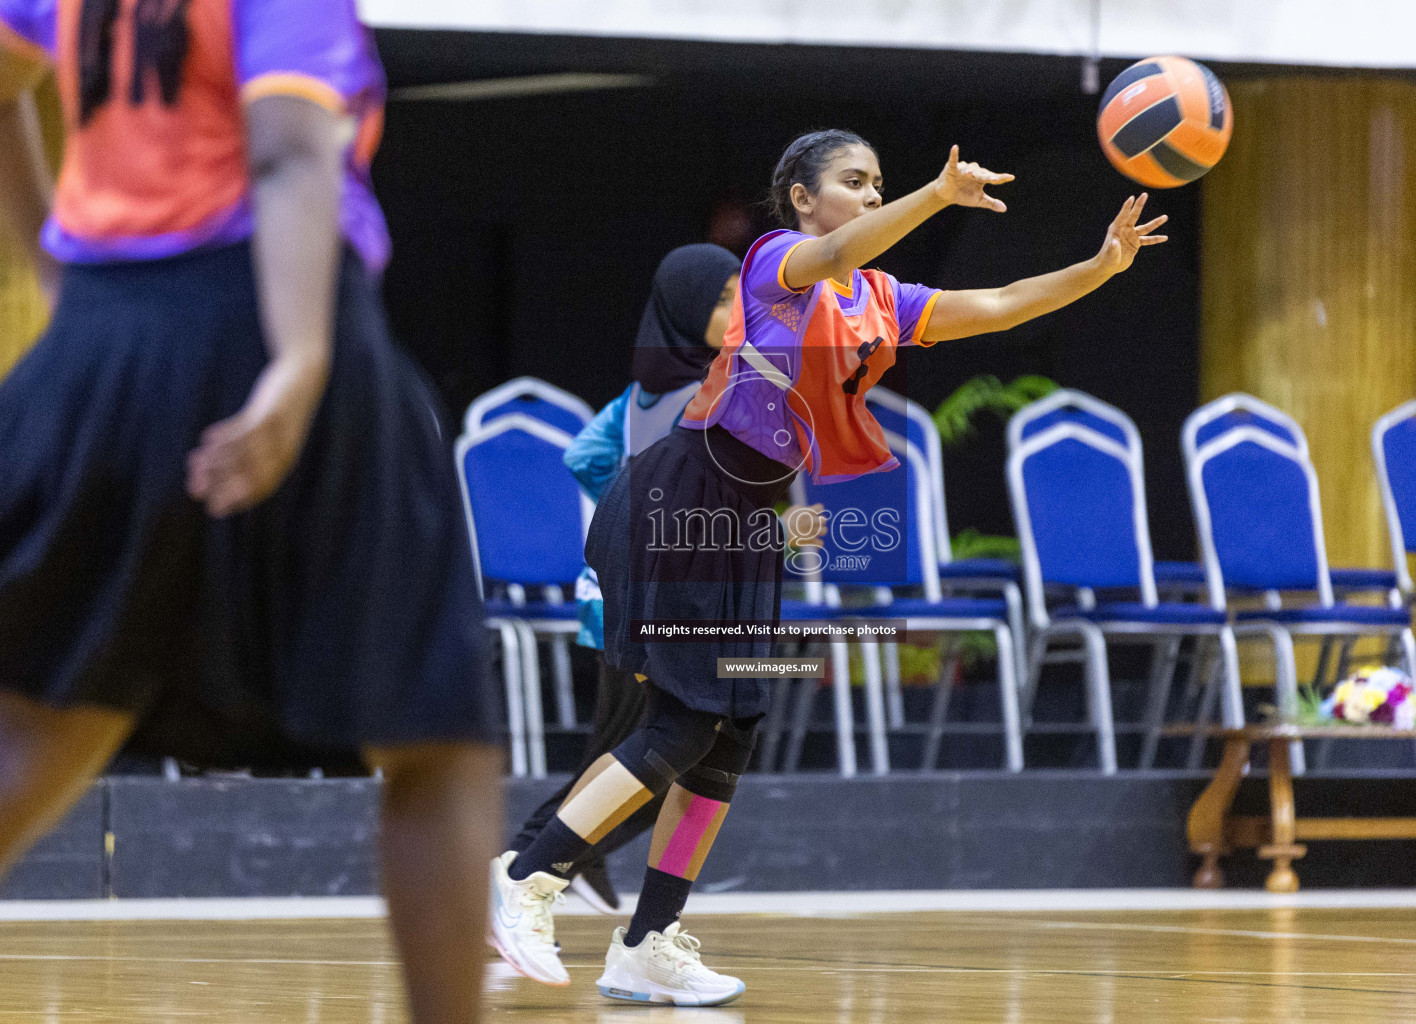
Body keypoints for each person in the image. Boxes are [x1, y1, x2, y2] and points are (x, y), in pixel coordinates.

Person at [501, 128, 1167, 1007]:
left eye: (878, 182)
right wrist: (933, 195)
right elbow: (847, 244)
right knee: (678, 725)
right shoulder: (779, 261)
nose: (868, 194)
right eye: (854, 181)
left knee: (728, 733)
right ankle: (526, 878)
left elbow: (1002, 302)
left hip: (746, 530)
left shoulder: (883, 302)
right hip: (680, 505)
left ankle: (647, 943)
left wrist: (1099, 268)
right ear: (804, 199)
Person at [0, 4, 502, 1023]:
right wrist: (302, 360)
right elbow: (286, 153)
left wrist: (54, 260)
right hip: (274, 303)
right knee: (437, 736)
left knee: (35, 727)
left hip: (99, 340)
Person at [495, 243, 742, 918]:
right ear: (687, 309)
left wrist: (630, 501)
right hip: (652, 599)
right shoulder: (706, 394)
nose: (734, 309)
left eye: (735, 294)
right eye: (719, 299)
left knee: (638, 754)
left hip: (622, 593)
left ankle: (556, 864)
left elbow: (584, 457)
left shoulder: (642, 396)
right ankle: (525, 866)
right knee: (655, 755)